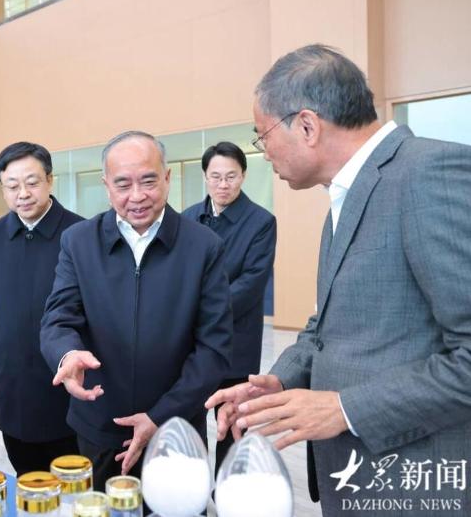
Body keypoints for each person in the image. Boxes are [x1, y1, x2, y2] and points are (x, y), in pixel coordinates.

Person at [205, 44, 471, 514]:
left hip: (411, 484)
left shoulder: (428, 175)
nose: (263, 152)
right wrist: (279, 380)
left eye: (262, 135)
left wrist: (344, 408)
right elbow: (328, 325)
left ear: (307, 126)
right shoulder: (346, 197)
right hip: (354, 477)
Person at [41, 130, 233, 490]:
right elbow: (58, 318)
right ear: (106, 186)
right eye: (123, 184)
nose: (137, 196)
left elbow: (214, 349)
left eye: (148, 181)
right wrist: (67, 354)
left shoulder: (203, 246)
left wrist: (160, 416)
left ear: (167, 178)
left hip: (176, 428)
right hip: (101, 425)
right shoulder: (78, 241)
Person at [0, 142, 83, 474]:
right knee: (27, 474)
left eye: (32, 182)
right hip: (13, 377)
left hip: (65, 378)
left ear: (50, 180)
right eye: (12, 186)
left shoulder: (80, 233)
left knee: (70, 478)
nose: (22, 193)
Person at [182, 141, 276, 474]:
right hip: (191, 344)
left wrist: (197, 311)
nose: (223, 184)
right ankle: (191, 488)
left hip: (236, 342)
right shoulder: (188, 218)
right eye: (216, 176)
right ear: (205, 177)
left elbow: (251, 283)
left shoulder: (261, 221)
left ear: (244, 176)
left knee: (232, 425)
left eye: (231, 176)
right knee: (187, 420)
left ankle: (229, 489)